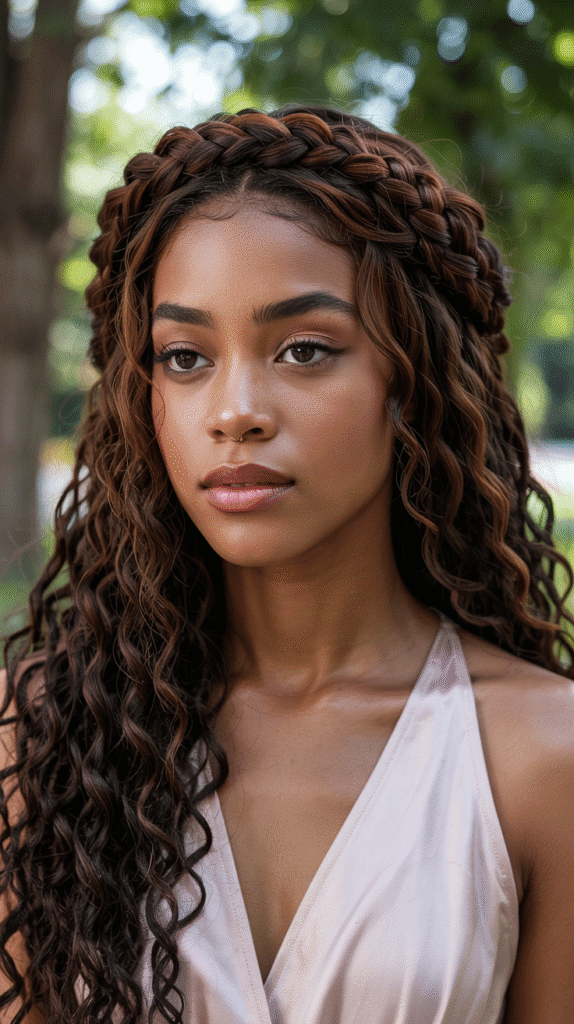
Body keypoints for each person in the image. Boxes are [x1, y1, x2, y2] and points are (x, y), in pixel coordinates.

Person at [1, 103, 573, 1024]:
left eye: (305, 350)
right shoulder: (43, 738)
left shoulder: (543, 759)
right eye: (184, 357)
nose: (235, 410)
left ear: (412, 378)